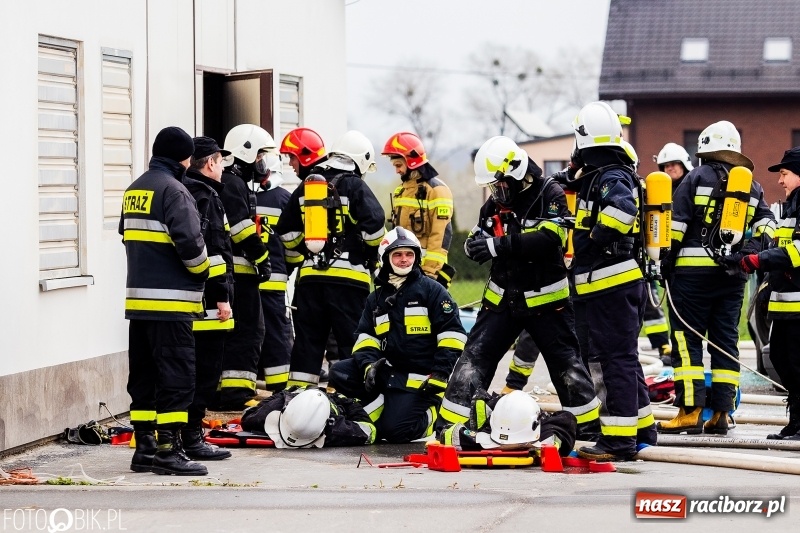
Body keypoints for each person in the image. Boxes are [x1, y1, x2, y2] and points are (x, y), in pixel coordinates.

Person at [441, 136, 601, 442]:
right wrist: (475, 244)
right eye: (491, 187)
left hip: (547, 304)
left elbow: (550, 237)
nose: (496, 193)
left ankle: (588, 430)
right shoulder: (495, 203)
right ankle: (451, 424)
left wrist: (497, 245)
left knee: (567, 365)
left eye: (499, 185)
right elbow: (482, 232)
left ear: (516, 175)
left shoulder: (549, 193)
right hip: (501, 300)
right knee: (474, 358)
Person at [658, 120, 775, 436]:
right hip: (733, 275)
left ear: (705, 149)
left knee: (687, 341)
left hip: (690, 278)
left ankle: (689, 411)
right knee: (725, 342)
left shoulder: (694, 178)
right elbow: (767, 225)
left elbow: (677, 228)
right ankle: (721, 412)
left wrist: (664, 263)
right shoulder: (751, 186)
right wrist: (747, 254)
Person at [565, 102, 656, 461]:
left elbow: (621, 212)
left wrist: (594, 239)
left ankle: (619, 442)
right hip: (604, 287)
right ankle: (643, 429)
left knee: (615, 361)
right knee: (624, 360)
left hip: (611, 286)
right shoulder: (601, 174)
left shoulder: (611, 177)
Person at [120, 127, 208, 476]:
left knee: (143, 378)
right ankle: (169, 453)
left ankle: (145, 450)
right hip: (171, 307)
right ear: (184, 158)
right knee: (176, 378)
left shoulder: (135, 189)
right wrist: (204, 272)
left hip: (139, 304)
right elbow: (190, 245)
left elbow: (127, 239)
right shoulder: (176, 191)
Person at [328, 227, 466, 442]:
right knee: (340, 371)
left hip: (421, 380)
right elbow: (365, 338)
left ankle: (434, 414)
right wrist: (368, 366)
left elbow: (453, 335)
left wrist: (440, 374)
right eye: (398, 254)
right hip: (388, 374)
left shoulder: (433, 290)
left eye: (409, 254)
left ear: (417, 257)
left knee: (395, 433)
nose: (404, 260)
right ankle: (380, 413)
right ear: (386, 258)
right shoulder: (376, 298)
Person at [276, 130, 386, 388]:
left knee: (307, 343)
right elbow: (376, 224)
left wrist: (306, 253)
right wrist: (369, 256)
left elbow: (286, 231)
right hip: (348, 282)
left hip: (310, 280)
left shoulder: (307, 185)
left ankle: (297, 399)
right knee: (351, 341)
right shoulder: (355, 184)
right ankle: (350, 398)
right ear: (360, 160)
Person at [180, 136, 236, 461]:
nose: (223, 167)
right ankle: (192, 438)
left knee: (189, 369)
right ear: (212, 162)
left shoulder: (185, 191)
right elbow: (214, 254)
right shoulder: (207, 197)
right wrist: (222, 297)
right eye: (221, 161)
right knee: (206, 371)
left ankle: (185, 435)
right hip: (207, 305)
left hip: (188, 301)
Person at [212, 124, 275, 410]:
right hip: (239, 274)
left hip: (233, 274)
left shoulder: (231, 182)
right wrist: (263, 259)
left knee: (238, 332)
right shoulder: (234, 184)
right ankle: (236, 395)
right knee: (248, 331)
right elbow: (241, 230)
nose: (262, 161)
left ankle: (231, 391)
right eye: (260, 154)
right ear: (246, 152)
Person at [739, 147, 800, 440]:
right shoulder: (792, 206)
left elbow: (797, 251)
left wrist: (760, 260)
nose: (780, 180)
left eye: (785, 174)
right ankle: (797, 423)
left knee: (795, 363)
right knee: (781, 358)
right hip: (785, 303)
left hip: (798, 305)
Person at [643, 143, 695, 365]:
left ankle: (672, 349)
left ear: (684, 164)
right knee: (649, 300)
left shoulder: (692, 185)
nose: (670, 168)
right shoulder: (657, 191)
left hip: (686, 258)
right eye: (665, 165)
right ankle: (665, 346)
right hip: (659, 256)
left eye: (674, 164)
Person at [382, 132, 456, 288]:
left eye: (398, 165)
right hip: (401, 271)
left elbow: (441, 235)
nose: (397, 171)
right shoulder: (400, 190)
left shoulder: (437, 190)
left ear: (411, 161)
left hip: (427, 273)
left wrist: (429, 273)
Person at [438, 390, 577, 457]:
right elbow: (449, 433)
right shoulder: (484, 434)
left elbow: (566, 422)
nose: (508, 447)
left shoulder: (547, 433)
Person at [255, 153, 293, 392]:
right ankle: (279, 386)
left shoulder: (238, 194)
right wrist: (285, 269)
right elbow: (295, 248)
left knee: (246, 333)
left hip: (245, 281)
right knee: (277, 333)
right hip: (275, 280)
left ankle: (241, 386)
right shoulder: (285, 199)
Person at [240, 387, 376, 447]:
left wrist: (349, 403)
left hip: (335, 402)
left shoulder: (335, 429)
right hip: (292, 395)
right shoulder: (270, 411)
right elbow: (248, 415)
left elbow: (368, 430)